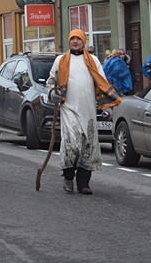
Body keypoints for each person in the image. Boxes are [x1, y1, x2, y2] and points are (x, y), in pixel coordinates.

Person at [47, 29, 121, 195]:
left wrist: (106, 107)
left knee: (87, 146)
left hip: (88, 111)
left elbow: (102, 83)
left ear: (83, 41)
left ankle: (83, 183)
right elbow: (51, 82)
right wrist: (53, 94)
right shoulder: (60, 60)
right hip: (69, 109)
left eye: (78, 39)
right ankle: (68, 177)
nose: (75, 41)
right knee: (71, 144)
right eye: (72, 38)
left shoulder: (93, 60)